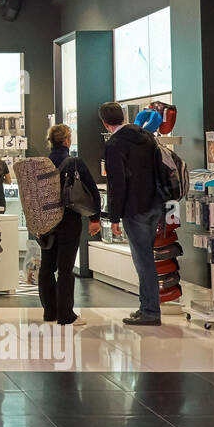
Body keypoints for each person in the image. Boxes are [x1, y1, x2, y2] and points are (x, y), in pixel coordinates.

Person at [100, 101, 165, 326]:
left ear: (105, 123)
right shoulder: (145, 136)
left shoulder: (115, 144)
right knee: (145, 256)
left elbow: (117, 183)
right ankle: (145, 306)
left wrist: (114, 217)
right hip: (155, 204)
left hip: (134, 208)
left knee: (143, 259)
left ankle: (150, 311)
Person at [39, 124, 101, 326]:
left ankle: (50, 312)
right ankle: (66, 314)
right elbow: (92, 191)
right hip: (69, 220)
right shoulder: (75, 163)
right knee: (65, 268)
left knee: (47, 266)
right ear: (66, 140)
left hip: (47, 222)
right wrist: (94, 218)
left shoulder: (42, 163)